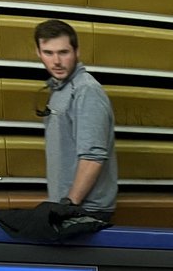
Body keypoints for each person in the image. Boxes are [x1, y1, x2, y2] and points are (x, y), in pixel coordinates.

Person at [34, 19, 117, 218]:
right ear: (38, 53)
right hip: (69, 206)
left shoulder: (86, 91)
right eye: (48, 53)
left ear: (77, 52)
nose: (56, 61)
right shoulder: (59, 88)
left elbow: (93, 157)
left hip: (85, 209)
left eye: (63, 52)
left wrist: (70, 203)